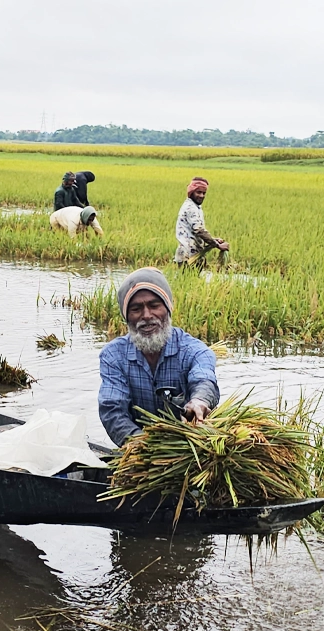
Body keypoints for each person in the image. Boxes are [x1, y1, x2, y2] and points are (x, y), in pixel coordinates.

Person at [99, 267, 220, 446]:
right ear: (127, 317)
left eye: (154, 305)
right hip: (138, 450)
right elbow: (113, 410)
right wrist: (142, 448)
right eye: (136, 309)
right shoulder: (113, 356)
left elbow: (204, 380)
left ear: (168, 308)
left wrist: (199, 401)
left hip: (191, 448)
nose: (147, 316)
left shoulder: (194, 350)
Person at [174, 177, 228, 265]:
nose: (202, 196)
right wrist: (217, 245)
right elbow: (199, 230)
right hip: (187, 256)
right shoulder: (190, 208)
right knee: (187, 278)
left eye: (204, 193)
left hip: (195, 255)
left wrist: (213, 240)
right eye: (198, 192)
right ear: (191, 192)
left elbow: (194, 233)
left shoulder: (196, 207)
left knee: (192, 278)